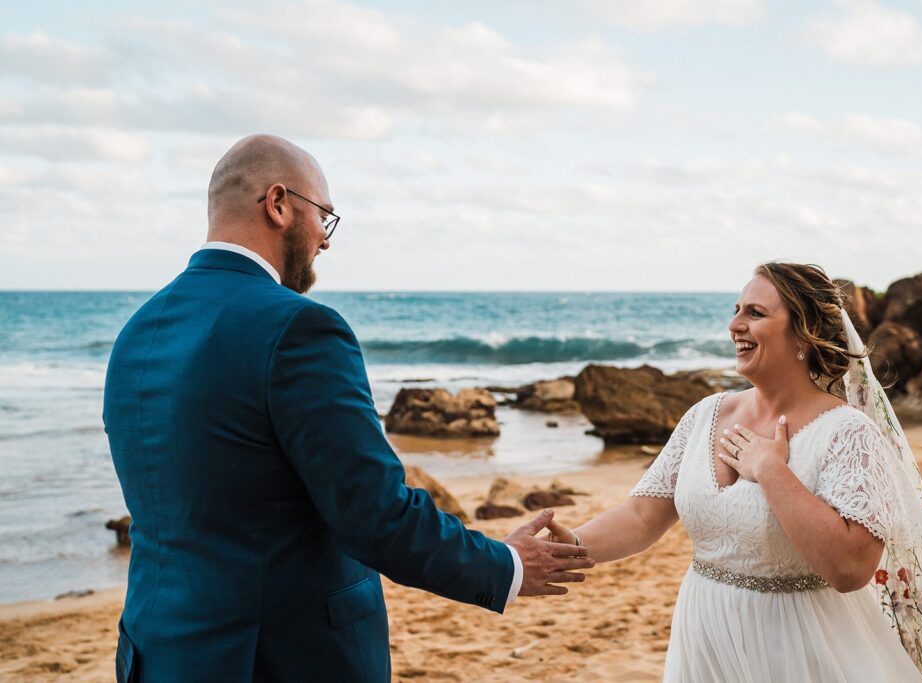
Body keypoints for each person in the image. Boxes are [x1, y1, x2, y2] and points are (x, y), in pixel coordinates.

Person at [102, 134, 593, 683]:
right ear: (279, 204)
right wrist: (506, 565)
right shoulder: (299, 328)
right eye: (324, 218)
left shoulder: (135, 334)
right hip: (280, 660)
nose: (326, 241)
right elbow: (375, 514)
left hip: (157, 653)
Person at [547, 262, 922, 682]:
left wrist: (772, 472)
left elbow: (851, 567)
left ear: (803, 334)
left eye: (755, 313)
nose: (735, 324)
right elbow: (641, 517)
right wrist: (567, 547)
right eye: (737, 310)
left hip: (803, 649)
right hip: (705, 637)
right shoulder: (704, 415)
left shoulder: (847, 433)